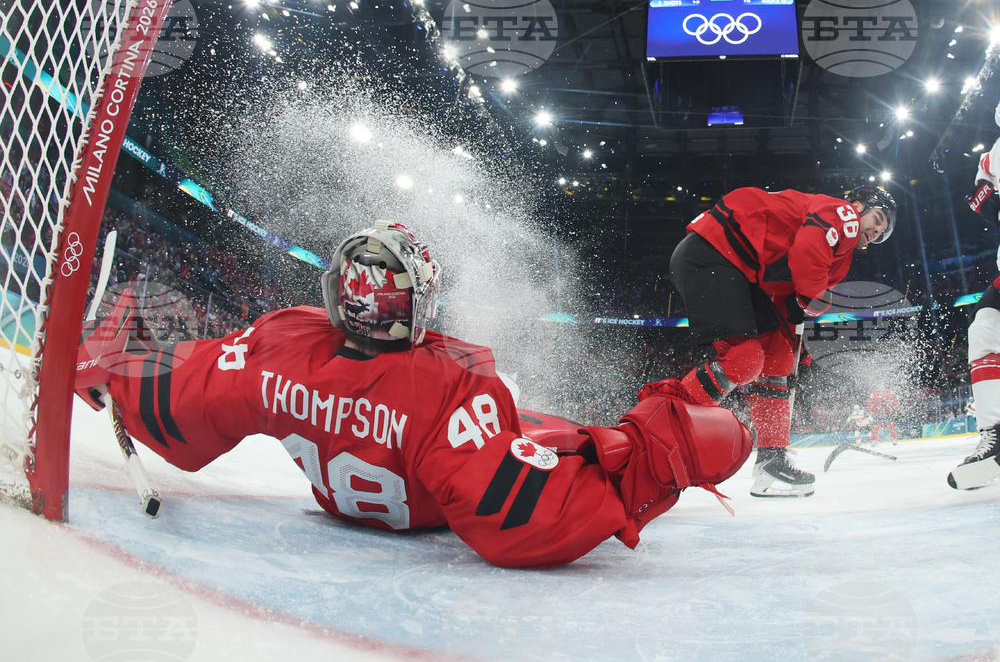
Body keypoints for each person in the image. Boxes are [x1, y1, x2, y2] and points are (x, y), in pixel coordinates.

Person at [75, 221, 752, 569]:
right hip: (432, 487)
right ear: (419, 304)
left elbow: (191, 396)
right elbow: (517, 518)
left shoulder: (281, 342)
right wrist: (656, 455)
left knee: (527, 419)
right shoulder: (453, 383)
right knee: (558, 432)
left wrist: (115, 376)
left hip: (344, 486)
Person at [669, 185, 896, 497]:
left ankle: (771, 460)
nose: (880, 230)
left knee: (779, 358)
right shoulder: (843, 214)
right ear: (857, 205)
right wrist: (811, 302)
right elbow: (808, 254)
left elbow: (788, 301)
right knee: (744, 359)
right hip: (714, 253)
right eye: (879, 218)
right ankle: (660, 433)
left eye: (884, 232)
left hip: (740, 270)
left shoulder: (841, 260)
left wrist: (794, 339)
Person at [951, 100, 1000, 490]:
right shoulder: (992, 156)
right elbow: (977, 196)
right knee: (983, 329)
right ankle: (994, 431)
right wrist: (988, 199)